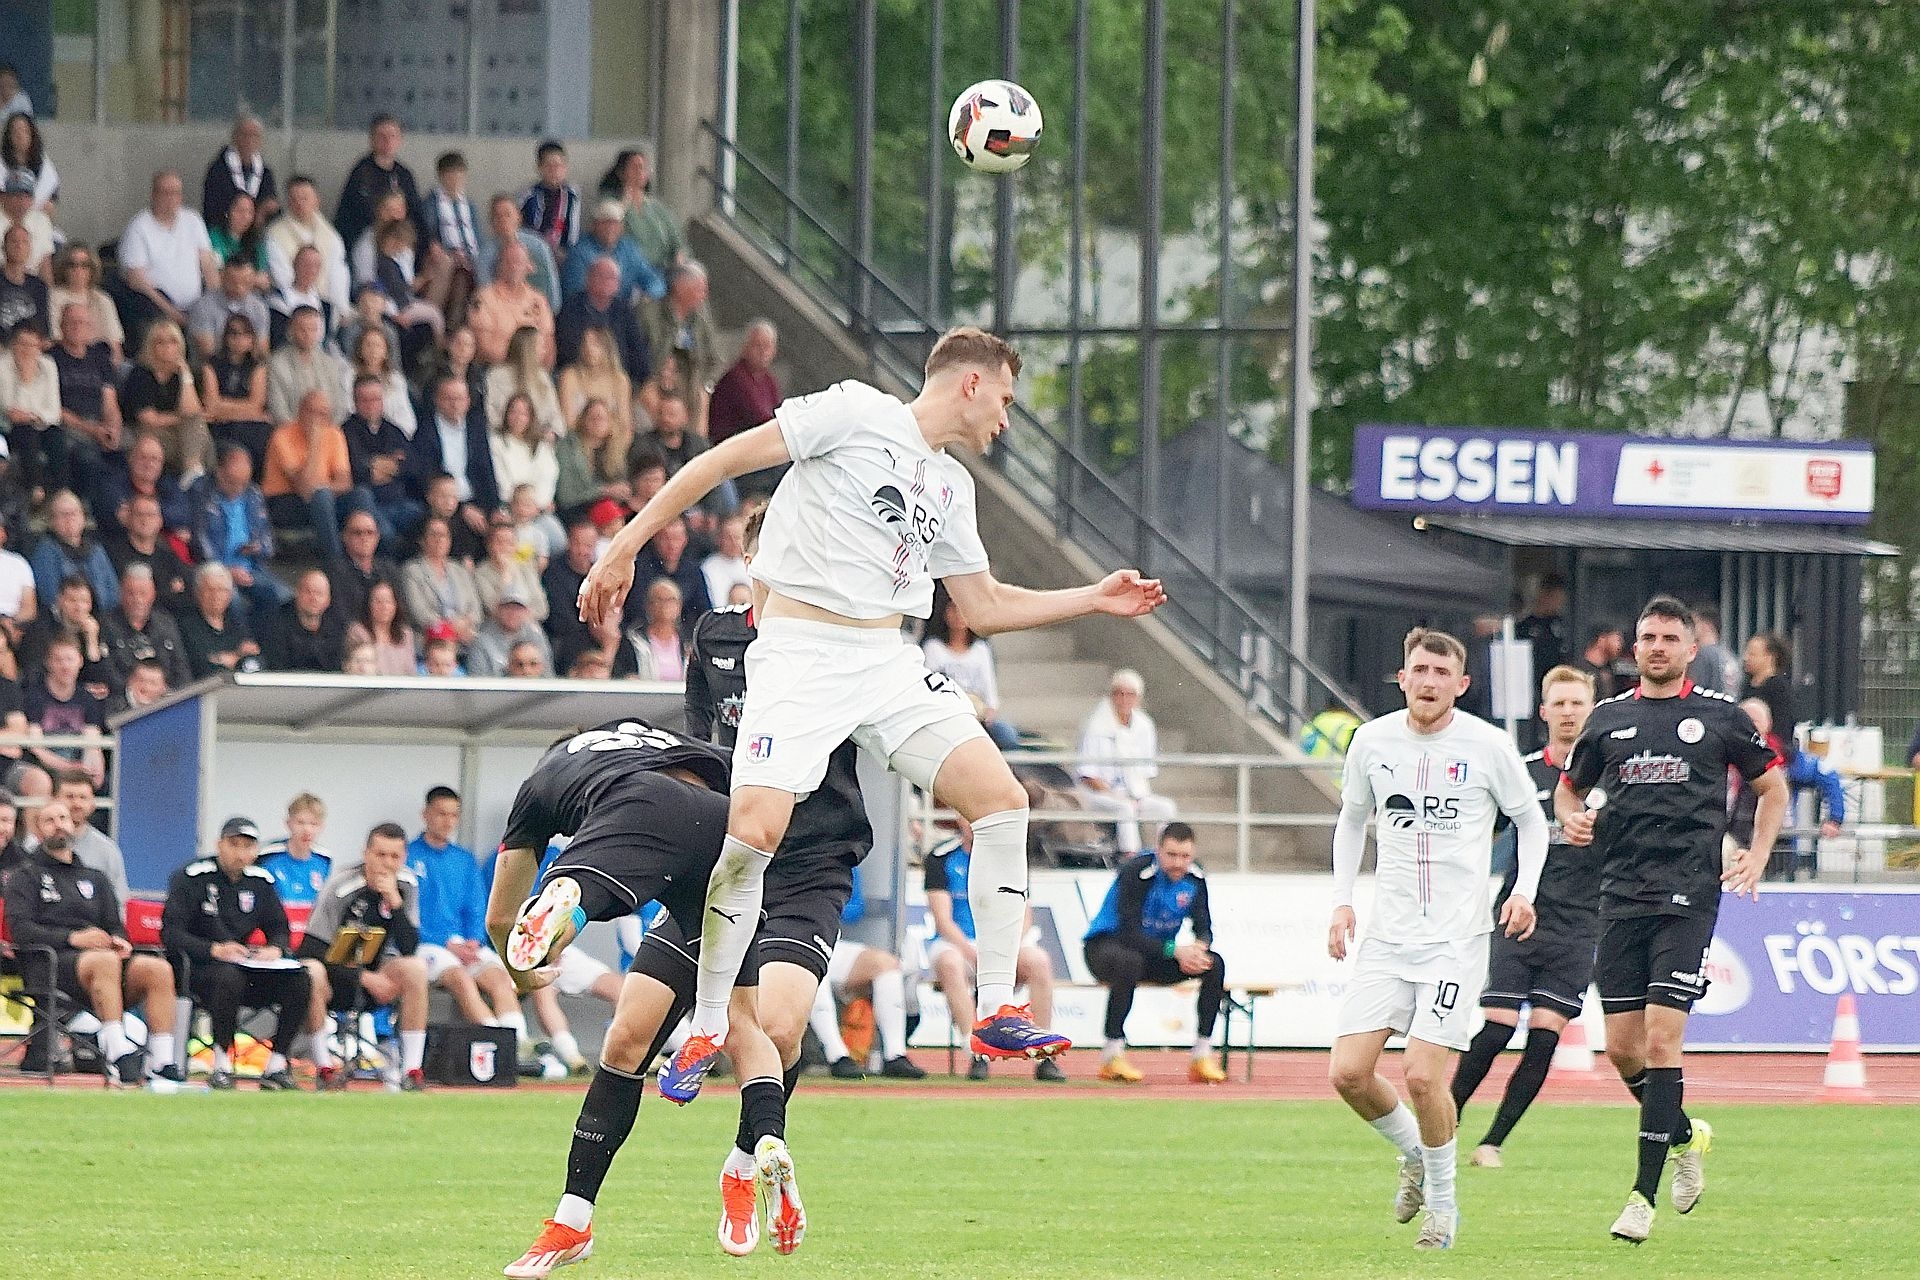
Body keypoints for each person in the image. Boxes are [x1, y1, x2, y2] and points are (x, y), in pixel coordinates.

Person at [575, 326, 1166, 1102]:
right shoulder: (855, 412)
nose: (1006, 419)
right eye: (1005, 399)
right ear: (971, 383)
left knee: (1002, 800)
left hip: (885, 659)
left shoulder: (952, 487)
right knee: (753, 833)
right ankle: (710, 1022)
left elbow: (984, 605)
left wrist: (1093, 597)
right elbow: (721, 461)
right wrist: (624, 545)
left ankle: (995, 1007)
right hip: (800, 653)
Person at [487, 717, 787, 1274]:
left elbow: (500, 920)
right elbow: (751, 783)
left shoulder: (545, 780)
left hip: (640, 811)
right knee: (716, 1024)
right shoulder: (652, 734)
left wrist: (523, 976)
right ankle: (760, 1146)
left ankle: (568, 906)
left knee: (580, 895)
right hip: (722, 833)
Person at [1554, 596, 1785, 1243]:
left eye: (1668, 638)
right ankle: (1685, 1136)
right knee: (1622, 1049)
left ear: (1690, 648)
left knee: (1661, 1042)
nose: (1657, 647)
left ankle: (1641, 1198)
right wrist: (1571, 816)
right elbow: (1569, 788)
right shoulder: (1608, 719)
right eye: (1647, 637)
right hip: (1619, 895)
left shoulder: (1720, 716)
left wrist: (1758, 853)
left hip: (1687, 896)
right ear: (1635, 647)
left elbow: (1772, 786)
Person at [1328, 627, 1548, 1252]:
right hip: (1387, 938)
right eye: (1419, 670)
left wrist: (1523, 890)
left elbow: (1532, 822)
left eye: (1441, 673)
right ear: (1402, 678)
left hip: (1455, 941)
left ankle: (1444, 1210)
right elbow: (1351, 820)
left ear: (1462, 684)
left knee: (1424, 1077)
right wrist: (1342, 900)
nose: (1428, 682)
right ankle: (1415, 1155)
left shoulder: (1487, 746)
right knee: (1348, 1074)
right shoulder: (1372, 741)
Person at [1450, 665, 1600, 1167]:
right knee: (1496, 1026)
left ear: (1592, 710)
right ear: (1543, 712)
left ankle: (1492, 1142)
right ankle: (1443, 1121)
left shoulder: (1611, 776)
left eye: (1577, 703)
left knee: (1544, 1037)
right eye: (1559, 703)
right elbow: (1480, 831)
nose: (1568, 712)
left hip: (1579, 924)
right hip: (1520, 914)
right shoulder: (1523, 772)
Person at [6, 796, 183, 1088]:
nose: (58, 825)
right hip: (51, 965)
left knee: (157, 969)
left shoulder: (95, 877)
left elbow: (115, 925)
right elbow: (22, 931)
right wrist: (73, 938)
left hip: (103, 964)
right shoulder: (25, 876)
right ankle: (116, 1049)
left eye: (63, 819)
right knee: (104, 961)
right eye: (49, 821)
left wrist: (120, 940)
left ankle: (161, 1062)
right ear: (37, 830)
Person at [159, 814, 311, 1090]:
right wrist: (213, 949)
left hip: (246, 967)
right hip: (201, 969)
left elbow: (279, 928)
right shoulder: (193, 877)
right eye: (234, 845)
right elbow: (172, 934)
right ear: (220, 845)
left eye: (247, 846)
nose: (240, 853)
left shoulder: (260, 881)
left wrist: (275, 949)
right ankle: (221, 1062)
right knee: (228, 977)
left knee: (300, 979)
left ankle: (277, 1063)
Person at [1081, 823, 1228, 1084]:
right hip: (1105, 948)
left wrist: (1198, 948)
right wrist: (1174, 950)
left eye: (1185, 856)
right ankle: (1112, 1053)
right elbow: (1128, 933)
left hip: (1153, 953)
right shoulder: (1138, 871)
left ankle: (1202, 1053)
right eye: (1171, 855)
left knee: (1213, 964)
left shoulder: (1195, 878)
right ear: (1158, 850)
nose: (1178, 863)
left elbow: (1204, 926)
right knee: (1129, 961)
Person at [925, 817, 1063, 1082]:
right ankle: (977, 1050)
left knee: (1039, 961)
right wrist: (973, 953)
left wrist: (1005, 949)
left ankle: (1045, 1055)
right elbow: (943, 920)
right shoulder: (941, 857)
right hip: (960, 943)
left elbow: (1023, 914)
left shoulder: (1009, 857)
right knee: (949, 962)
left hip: (1001, 942)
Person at [296, 822, 432, 1091]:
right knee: (311, 971)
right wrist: (364, 977)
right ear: (366, 853)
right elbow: (311, 948)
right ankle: (325, 1069)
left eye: (394, 857)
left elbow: (409, 947)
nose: (387, 863)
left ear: (404, 858)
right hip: (335, 977)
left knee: (415, 968)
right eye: (380, 855)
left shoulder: (407, 884)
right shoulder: (341, 886)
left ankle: (412, 1071)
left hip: (377, 975)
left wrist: (395, 903)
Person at [405, 785, 529, 1042]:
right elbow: (406, 915)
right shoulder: (408, 856)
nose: (448, 821)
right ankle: (498, 1045)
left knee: (500, 980)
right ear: (425, 814)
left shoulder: (464, 859)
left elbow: (477, 906)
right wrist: (447, 944)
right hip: (427, 945)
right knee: (461, 980)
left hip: (465, 944)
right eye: (441, 814)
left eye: (454, 815)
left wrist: (474, 940)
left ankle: (518, 1045)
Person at [806, 863, 927, 1080]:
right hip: (784, 946)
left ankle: (895, 1054)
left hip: (828, 940)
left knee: (885, 964)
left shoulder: (841, 859)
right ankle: (837, 1055)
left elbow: (855, 907)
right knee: (813, 965)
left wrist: (827, 905)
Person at [1734, 697, 1843, 881]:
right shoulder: (1721, 752)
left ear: (1768, 724)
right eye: (1742, 720)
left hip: (1778, 840)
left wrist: (1834, 818)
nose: (1748, 726)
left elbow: (1826, 773)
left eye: (1754, 721)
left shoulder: (1784, 755)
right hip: (1734, 835)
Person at [1075, 669, 1177, 854]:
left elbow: (1145, 771)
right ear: (1112, 696)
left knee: (1166, 807)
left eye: (1130, 695)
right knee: (1126, 808)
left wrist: (1135, 795)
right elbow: (1087, 775)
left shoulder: (1144, 725)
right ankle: (1131, 857)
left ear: (1138, 698)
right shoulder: (1095, 725)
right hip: (1098, 794)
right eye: (1119, 694)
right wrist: (1117, 795)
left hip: (1134, 792)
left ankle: (1165, 854)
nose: (1124, 700)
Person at [117, 171, 218, 342]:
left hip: (197, 307)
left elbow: (208, 265)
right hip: (157, 310)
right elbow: (136, 281)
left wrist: (215, 303)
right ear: (153, 194)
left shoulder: (192, 220)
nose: (170, 198)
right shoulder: (138, 227)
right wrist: (173, 313)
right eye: (165, 192)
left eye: (175, 193)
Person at [194, 443, 289, 616]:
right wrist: (226, 571)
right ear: (219, 472)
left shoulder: (253, 494)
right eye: (232, 482)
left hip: (252, 568)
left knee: (286, 599)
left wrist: (258, 547)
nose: (238, 489)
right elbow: (200, 543)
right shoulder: (202, 495)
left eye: (243, 484)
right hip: (216, 571)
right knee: (232, 602)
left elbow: (268, 541)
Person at [262, 389, 356, 563]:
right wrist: (314, 444)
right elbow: (304, 489)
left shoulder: (335, 433)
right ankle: (335, 563)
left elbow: (345, 482)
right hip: (285, 501)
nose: (317, 419)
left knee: (361, 495)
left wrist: (322, 488)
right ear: (300, 412)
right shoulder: (282, 436)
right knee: (321, 497)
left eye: (323, 414)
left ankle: (374, 557)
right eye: (312, 412)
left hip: (325, 499)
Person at [922, 583, 1019, 750]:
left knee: (1007, 735)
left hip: (978, 717)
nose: (959, 616)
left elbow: (990, 693)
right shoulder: (933, 648)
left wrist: (987, 712)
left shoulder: (981, 649)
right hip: (946, 716)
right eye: (954, 610)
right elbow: (928, 690)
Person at [122, 319, 213, 483]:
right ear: (151, 346)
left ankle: (193, 472)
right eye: (160, 342)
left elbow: (192, 410)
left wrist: (185, 375)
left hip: (176, 433)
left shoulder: (181, 374)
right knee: (198, 431)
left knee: (199, 430)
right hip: (145, 432)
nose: (167, 347)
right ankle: (194, 473)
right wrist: (182, 418)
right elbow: (149, 419)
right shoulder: (141, 374)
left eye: (173, 342)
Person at [638, 261, 719, 434]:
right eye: (699, 289)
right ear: (680, 287)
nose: (704, 295)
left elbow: (714, 360)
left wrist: (705, 386)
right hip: (653, 382)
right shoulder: (649, 314)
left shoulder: (701, 321)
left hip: (689, 386)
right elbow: (637, 356)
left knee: (700, 406)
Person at [411, 374, 502, 527]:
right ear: (437, 400)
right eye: (449, 399)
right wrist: (460, 507)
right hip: (442, 506)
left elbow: (486, 470)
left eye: (460, 399)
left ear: (468, 401)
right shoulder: (425, 432)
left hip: (477, 502)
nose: (455, 404)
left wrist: (494, 509)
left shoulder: (476, 429)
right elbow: (425, 478)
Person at [341, 374, 420, 543]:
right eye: (365, 400)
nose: (371, 405)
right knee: (385, 534)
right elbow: (358, 471)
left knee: (424, 522)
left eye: (376, 399)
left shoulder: (393, 430)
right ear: (355, 402)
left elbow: (412, 466)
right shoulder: (346, 432)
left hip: (401, 503)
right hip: (370, 506)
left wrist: (376, 463)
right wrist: (391, 464)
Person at [335, 114, 429, 251]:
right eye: (381, 136)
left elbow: (416, 214)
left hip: (402, 241)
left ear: (400, 140)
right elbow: (352, 217)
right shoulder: (361, 173)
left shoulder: (404, 174)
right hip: (369, 244)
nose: (387, 141)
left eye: (392, 136)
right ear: (372, 140)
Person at [265, 175, 352, 316]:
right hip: (291, 307)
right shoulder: (275, 235)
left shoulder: (331, 236)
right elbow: (282, 276)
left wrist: (339, 307)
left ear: (317, 200)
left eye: (304, 198)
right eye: (294, 199)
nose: (299, 203)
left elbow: (338, 275)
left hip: (326, 306)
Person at [199, 314, 275, 472]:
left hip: (248, 426)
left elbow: (256, 405)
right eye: (233, 333)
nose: (239, 339)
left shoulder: (258, 367)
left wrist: (223, 409)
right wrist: (247, 411)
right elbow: (211, 405)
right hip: (220, 427)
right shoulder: (211, 365)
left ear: (252, 338)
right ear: (226, 337)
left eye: (245, 334)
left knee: (262, 436)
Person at [555, 259, 649, 382]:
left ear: (618, 284)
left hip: (617, 379)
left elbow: (638, 354)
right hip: (579, 379)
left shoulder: (625, 311)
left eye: (611, 277)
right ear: (588, 279)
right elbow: (566, 353)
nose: (605, 281)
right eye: (600, 275)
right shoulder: (571, 308)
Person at [101, 561, 190, 690]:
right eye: (131, 593)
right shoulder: (106, 625)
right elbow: (108, 674)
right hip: (126, 698)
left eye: (143, 593)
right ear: (121, 593)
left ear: (153, 594)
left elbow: (182, 669)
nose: (137, 599)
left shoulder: (166, 623)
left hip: (168, 696)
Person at [469, 240, 555, 367]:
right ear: (500, 266)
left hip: (534, 369)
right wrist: (518, 364)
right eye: (509, 262)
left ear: (529, 267)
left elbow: (549, 344)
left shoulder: (539, 300)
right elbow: (483, 347)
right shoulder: (484, 298)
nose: (514, 267)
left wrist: (539, 370)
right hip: (496, 369)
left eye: (519, 262)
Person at [599, 146, 684, 274]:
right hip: (626, 269)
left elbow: (677, 241)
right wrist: (625, 200)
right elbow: (609, 229)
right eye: (635, 167)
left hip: (662, 269)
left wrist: (679, 265)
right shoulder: (609, 201)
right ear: (621, 172)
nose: (640, 171)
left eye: (643, 167)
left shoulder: (656, 207)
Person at [0, 322, 61, 498]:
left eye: (32, 345)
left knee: (57, 436)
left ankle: (61, 492)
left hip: (41, 424)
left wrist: (33, 416)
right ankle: (35, 489)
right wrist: (25, 379)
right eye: (22, 344)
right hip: (9, 428)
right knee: (26, 433)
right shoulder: (3, 365)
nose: (27, 350)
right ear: (13, 344)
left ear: (40, 347)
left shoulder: (48, 365)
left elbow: (54, 413)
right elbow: (10, 411)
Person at [55, 769, 131, 909]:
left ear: (92, 804)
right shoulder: (36, 847)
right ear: (54, 800)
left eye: (83, 797)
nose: (76, 804)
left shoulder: (107, 851)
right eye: (70, 797)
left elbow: (120, 904)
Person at [561, 199, 663, 302]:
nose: (610, 228)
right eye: (605, 223)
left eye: (615, 223)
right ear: (594, 225)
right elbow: (575, 292)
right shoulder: (580, 252)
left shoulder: (629, 249)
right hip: (591, 309)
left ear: (622, 227)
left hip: (623, 307)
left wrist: (649, 295)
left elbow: (654, 281)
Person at [403, 515, 482, 646]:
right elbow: (419, 612)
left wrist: (466, 624)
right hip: (431, 640)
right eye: (434, 535)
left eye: (444, 535)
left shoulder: (460, 570)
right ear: (422, 540)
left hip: (466, 637)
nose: (439, 540)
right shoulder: (412, 571)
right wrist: (450, 629)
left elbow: (475, 609)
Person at [267, 305, 352, 425]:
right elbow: (278, 410)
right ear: (291, 330)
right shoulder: (277, 363)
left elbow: (340, 406)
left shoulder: (330, 363)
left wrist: (327, 429)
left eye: (313, 329)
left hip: (328, 430)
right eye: (302, 329)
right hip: (290, 431)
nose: (307, 334)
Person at [177, 562, 262, 679]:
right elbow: (199, 664)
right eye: (209, 590)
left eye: (222, 590)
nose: (216, 596)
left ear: (230, 595)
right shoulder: (186, 624)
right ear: (198, 593)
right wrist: (237, 656)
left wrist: (227, 658)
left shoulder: (236, 623)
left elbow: (254, 658)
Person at [480, 193, 561, 312]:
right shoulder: (485, 255)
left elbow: (551, 285)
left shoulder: (538, 246)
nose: (503, 220)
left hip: (537, 309)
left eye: (508, 214)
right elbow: (485, 291)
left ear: (518, 217)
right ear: (492, 222)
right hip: (501, 311)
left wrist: (548, 312)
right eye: (497, 216)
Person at [49, 245, 126, 366]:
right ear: (63, 268)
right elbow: (54, 338)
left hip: (99, 361)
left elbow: (115, 344)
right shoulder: (53, 296)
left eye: (84, 265)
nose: (78, 270)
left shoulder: (103, 299)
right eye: (72, 264)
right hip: (65, 360)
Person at [259, 567, 346, 673]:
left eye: (319, 593)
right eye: (308, 592)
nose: (313, 598)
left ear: (328, 600)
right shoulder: (276, 622)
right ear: (297, 593)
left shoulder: (337, 625)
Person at [709, 320, 781, 447]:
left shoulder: (769, 381)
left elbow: (778, 413)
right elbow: (759, 418)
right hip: (727, 445)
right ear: (745, 347)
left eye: (767, 347)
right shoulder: (736, 377)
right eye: (757, 345)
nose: (762, 352)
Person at [200, 114, 279, 230]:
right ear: (234, 137)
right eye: (245, 135)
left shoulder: (265, 172)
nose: (249, 140)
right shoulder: (218, 170)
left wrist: (265, 209)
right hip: (223, 230)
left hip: (255, 232)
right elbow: (212, 207)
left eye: (255, 135)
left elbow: (270, 201)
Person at [258, 792, 333, 906]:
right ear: (288, 823)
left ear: (321, 826)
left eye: (313, 824)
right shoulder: (267, 856)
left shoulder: (324, 859)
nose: (307, 830)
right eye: (300, 822)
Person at [187, 257, 270, 360]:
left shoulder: (259, 307)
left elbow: (262, 349)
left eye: (245, 282)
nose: (239, 288)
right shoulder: (203, 306)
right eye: (233, 282)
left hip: (249, 365)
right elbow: (207, 351)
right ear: (222, 277)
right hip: (211, 366)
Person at [520, 141, 583, 266]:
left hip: (564, 253)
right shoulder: (527, 195)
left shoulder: (572, 194)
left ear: (565, 167)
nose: (555, 171)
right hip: (533, 252)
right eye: (549, 166)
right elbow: (521, 228)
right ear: (539, 168)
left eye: (559, 165)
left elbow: (573, 228)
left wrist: (566, 250)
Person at [468, 587, 551, 678]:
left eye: (518, 608)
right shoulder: (481, 641)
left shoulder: (536, 636)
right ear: (497, 609)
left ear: (527, 612)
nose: (513, 613)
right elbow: (478, 679)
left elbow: (548, 673)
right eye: (507, 607)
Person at [1742, 631, 1796, 748]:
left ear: (1769, 657)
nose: (1746, 658)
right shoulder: (1747, 685)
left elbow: (1782, 729)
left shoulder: (1779, 688)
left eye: (1752, 654)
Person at [2, 112, 57, 211]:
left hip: (36, 215)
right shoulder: (1, 163)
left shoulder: (44, 166)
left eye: (24, 131)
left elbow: (51, 198)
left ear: (32, 134)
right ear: (9, 136)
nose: (20, 135)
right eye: (15, 131)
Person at [1688, 604, 1740, 693]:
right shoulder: (1729, 655)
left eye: (1693, 624)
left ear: (1705, 626)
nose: (1689, 629)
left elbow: (1695, 690)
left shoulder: (1703, 655)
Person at [1577, 626, 1625, 701]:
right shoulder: (1579, 672)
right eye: (1617, 640)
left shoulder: (1610, 670)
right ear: (1602, 639)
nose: (1620, 645)